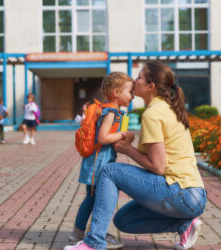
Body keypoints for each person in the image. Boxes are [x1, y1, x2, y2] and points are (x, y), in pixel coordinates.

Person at [64, 61, 207, 250]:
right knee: (124, 221)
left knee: (109, 171)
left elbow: (158, 167)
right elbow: (160, 161)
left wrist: (127, 150)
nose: (134, 80)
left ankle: (93, 242)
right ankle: (184, 225)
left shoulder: (153, 114)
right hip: (193, 195)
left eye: (139, 77)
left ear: (151, 86)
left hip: (182, 193)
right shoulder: (167, 108)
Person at [68, 72, 134, 249]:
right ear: (117, 92)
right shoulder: (110, 112)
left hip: (100, 162)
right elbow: (103, 138)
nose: (132, 95)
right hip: (97, 164)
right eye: (130, 91)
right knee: (92, 198)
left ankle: (83, 231)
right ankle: (80, 232)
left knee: (93, 198)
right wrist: (123, 134)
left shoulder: (114, 111)